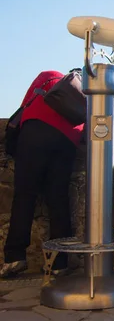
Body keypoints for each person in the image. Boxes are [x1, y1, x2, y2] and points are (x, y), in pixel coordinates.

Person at [1, 69, 85, 279]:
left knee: (25, 196)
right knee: (58, 200)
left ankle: (14, 257)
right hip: (67, 139)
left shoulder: (48, 75)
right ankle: (59, 262)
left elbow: (26, 104)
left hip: (35, 132)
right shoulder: (86, 95)